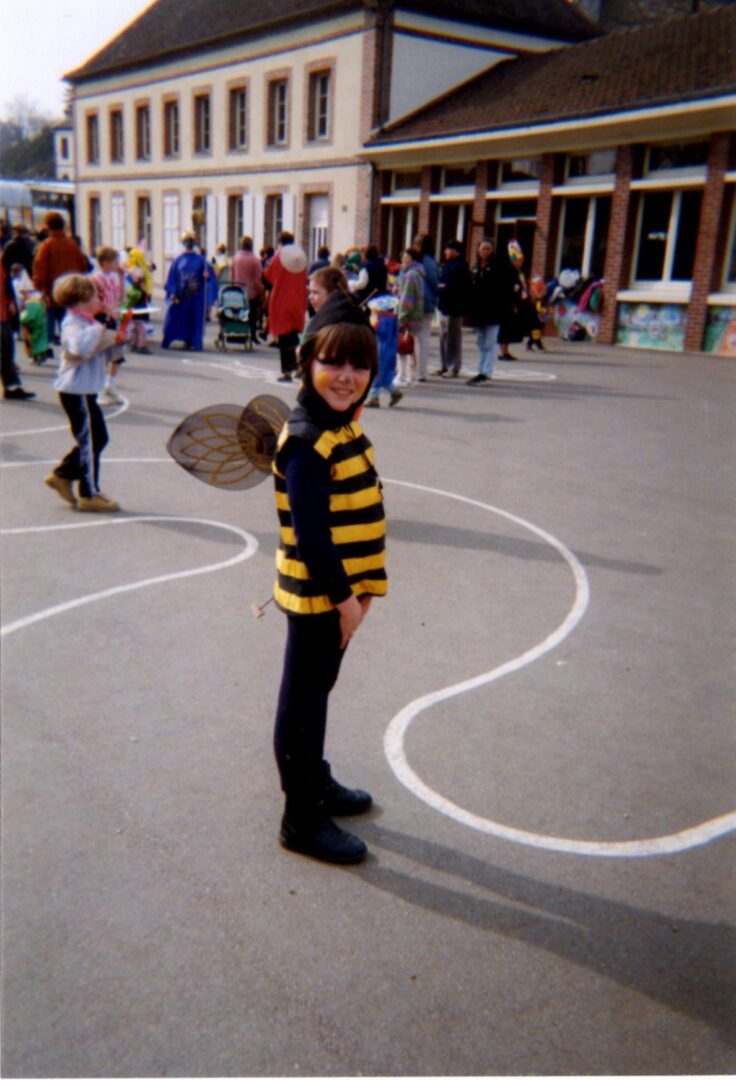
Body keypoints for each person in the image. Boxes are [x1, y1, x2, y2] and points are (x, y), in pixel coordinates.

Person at [272, 291, 387, 864]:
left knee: (318, 690)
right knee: (303, 702)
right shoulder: (306, 442)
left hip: (344, 595)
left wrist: (360, 595)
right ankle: (300, 818)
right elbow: (313, 539)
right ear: (307, 361)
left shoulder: (340, 426)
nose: (347, 376)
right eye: (332, 362)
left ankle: (313, 779)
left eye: (359, 365)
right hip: (322, 596)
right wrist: (346, 602)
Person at [44, 273, 123, 511]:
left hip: (85, 390)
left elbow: (104, 348)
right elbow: (79, 348)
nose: (100, 300)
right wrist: (100, 327)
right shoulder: (73, 323)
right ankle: (88, 493)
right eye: (95, 296)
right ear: (81, 300)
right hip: (75, 391)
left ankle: (63, 475)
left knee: (98, 438)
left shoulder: (88, 322)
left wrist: (113, 328)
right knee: (91, 440)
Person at [31, 211, 89, 344]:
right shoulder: (72, 244)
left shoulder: (46, 246)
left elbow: (40, 268)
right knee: (69, 325)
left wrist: (39, 288)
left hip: (51, 291)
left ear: (48, 226)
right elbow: (83, 266)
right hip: (71, 291)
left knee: (48, 326)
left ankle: (47, 346)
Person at [263, 231, 307, 382]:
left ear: (280, 242)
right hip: (298, 298)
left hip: (281, 298)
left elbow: (268, 276)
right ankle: (299, 365)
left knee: (284, 336)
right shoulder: (301, 256)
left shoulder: (279, 256)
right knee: (293, 334)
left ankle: (287, 370)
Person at [467, 237, 508, 386]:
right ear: (478, 250)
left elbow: (502, 289)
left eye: (488, 249)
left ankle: (486, 372)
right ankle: (481, 370)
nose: (485, 251)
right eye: (483, 248)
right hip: (479, 312)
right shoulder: (476, 267)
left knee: (490, 343)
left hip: (493, 311)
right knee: (481, 342)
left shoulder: (497, 266)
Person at [161, 233, 208, 351]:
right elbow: (172, 277)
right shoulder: (178, 260)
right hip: (180, 297)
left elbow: (209, 278)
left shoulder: (201, 261)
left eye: (190, 241)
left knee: (193, 318)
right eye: (186, 241)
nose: (188, 244)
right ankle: (169, 338)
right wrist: (172, 292)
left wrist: (207, 277)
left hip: (196, 298)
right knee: (175, 318)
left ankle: (192, 340)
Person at [91, 246, 126, 404]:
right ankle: (99, 390)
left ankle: (110, 384)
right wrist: (108, 310)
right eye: (115, 262)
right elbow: (95, 301)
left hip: (113, 318)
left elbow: (121, 298)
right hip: (102, 319)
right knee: (102, 355)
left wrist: (122, 278)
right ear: (105, 263)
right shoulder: (96, 279)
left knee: (118, 353)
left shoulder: (114, 277)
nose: (117, 265)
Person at [0, 261, 35, 400]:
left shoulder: (2, 262)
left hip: (3, 313)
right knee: (5, 351)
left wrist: (10, 301)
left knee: (6, 350)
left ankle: (11, 386)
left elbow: (5, 284)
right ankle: (11, 386)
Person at [436, 239, 471, 377]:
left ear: (455, 251)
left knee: (453, 337)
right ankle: (444, 365)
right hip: (444, 305)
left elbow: (458, 286)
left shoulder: (461, 265)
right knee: (443, 336)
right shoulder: (447, 264)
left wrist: (444, 287)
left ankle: (454, 366)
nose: (445, 252)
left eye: (448, 249)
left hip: (455, 306)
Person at [364, 294, 401, 408]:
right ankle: (394, 392)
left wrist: (373, 324)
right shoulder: (394, 320)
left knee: (376, 373)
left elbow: (378, 332)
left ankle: (373, 397)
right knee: (384, 374)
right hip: (390, 349)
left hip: (381, 349)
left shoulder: (383, 321)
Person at [395, 247, 424, 386]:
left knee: (403, 346)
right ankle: (413, 376)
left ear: (412, 259)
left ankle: (403, 376)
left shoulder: (410, 275)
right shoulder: (418, 273)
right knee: (413, 346)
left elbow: (407, 297)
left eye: (406, 257)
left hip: (409, 316)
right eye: (402, 257)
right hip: (417, 314)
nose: (403, 260)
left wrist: (402, 317)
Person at [412, 233, 439, 381]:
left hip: (412, 302)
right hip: (426, 302)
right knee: (423, 338)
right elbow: (435, 282)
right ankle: (421, 371)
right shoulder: (430, 262)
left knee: (413, 337)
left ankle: (412, 369)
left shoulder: (413, 261)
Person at [230, 235, 265, 344]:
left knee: (238, 313)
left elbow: (232, 275)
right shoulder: (255, 260)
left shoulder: (235, 258)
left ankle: (238, 332)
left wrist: (233, 287)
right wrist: (261, 291)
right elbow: (257, 279)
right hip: (251, 293)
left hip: (237, 292)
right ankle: (252, 334)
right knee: (253, 314)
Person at [498, 240, 528, 361]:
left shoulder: (518, 271)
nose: (521, 261)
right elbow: (508, 289)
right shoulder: (509, 271)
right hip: (508, 304)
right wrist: (513, 304)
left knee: (509, 329)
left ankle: (506, 350)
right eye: (519, 259)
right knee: (505, 329)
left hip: (515, 303)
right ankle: (503, 352)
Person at [125, 248, 154, 354]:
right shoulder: (140, 270)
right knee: (140, 323)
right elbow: (142, 285)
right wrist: (147, 293)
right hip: (139, 299)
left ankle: (133, 344)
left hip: (131, 299)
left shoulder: (129, 269)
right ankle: (142, 345)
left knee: (135, 323)